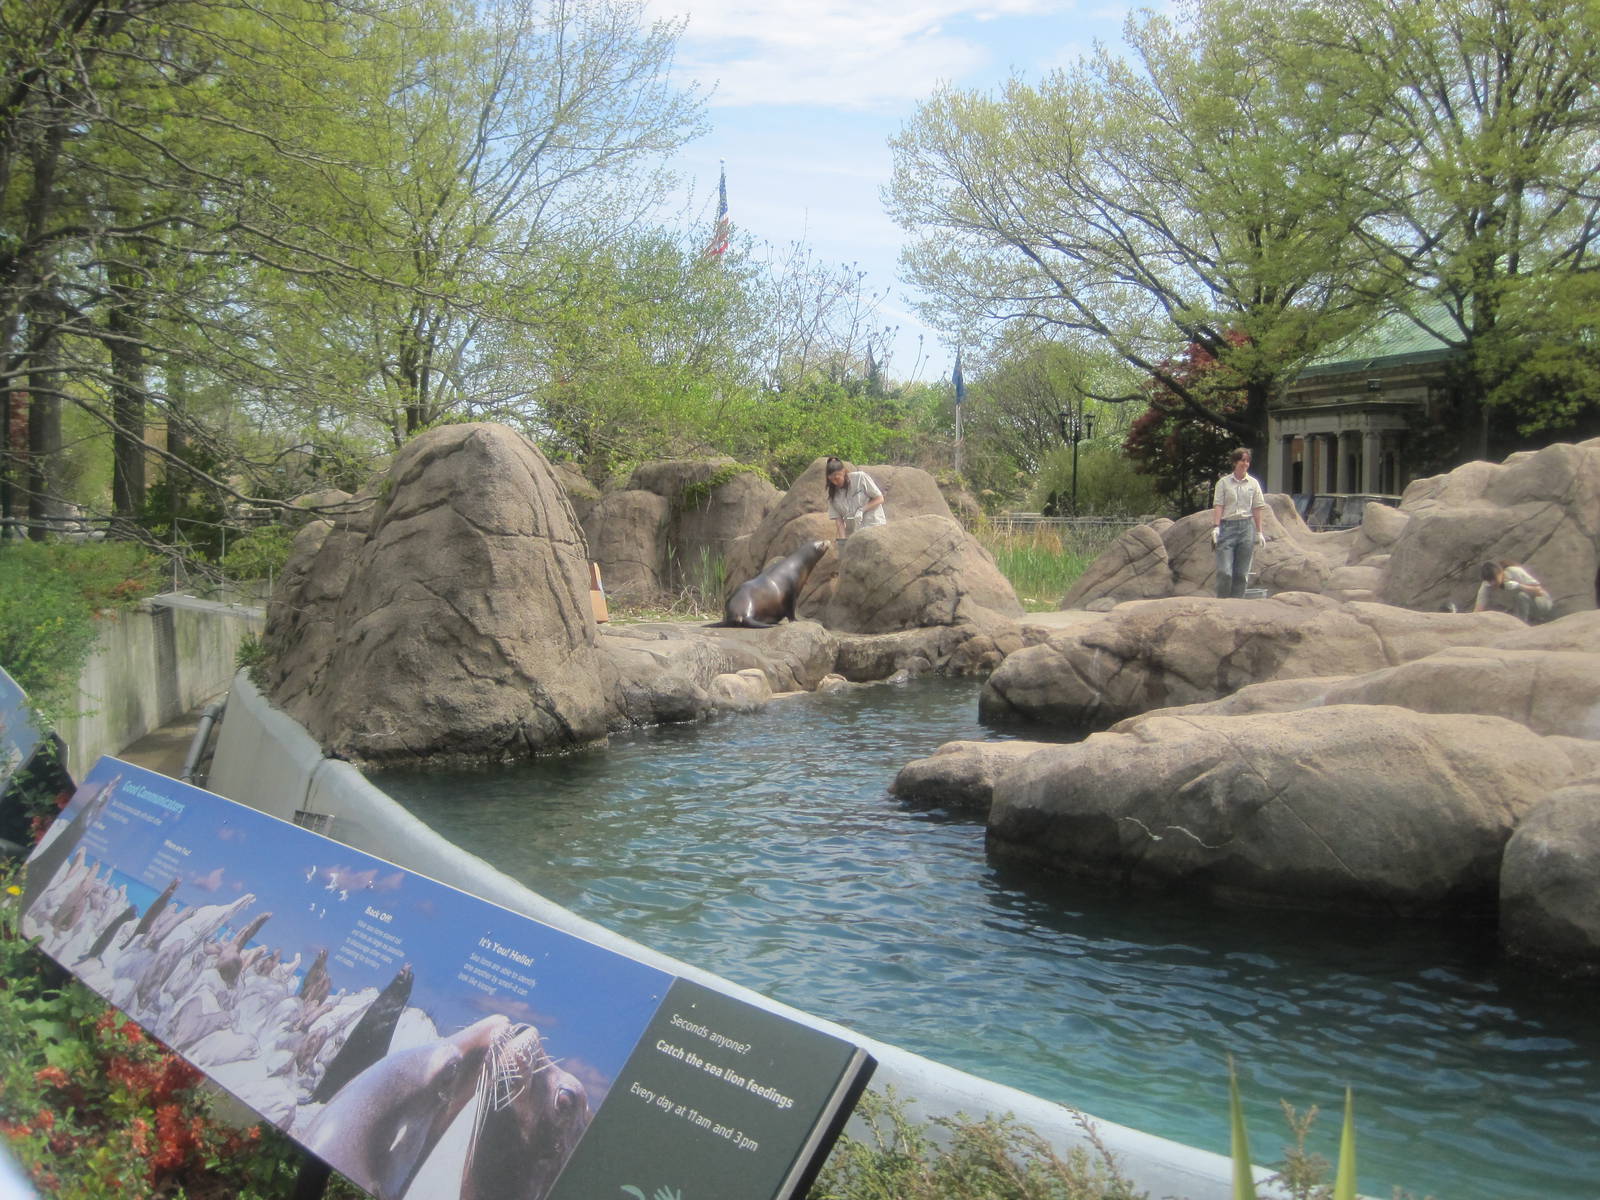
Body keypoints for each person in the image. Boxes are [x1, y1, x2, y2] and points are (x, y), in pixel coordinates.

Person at [1211, 447, 1268, 599]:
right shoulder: (1223, 483)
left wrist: (1259, 531)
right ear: (1235, 462)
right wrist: (1216, 527)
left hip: (1246, 527)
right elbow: (1219, 505)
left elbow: (1257, 508)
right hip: (1227, 526)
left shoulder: (1253, 483)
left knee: (1242, 573)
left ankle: (1237, 603)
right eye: (1242, 460)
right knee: (1225, 572)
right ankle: (1222, 601)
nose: (1245, 464)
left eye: (1248, 461)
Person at [1473, 560, 1553, 623]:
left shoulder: (1513, 572)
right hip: (1520, 610)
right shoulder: (1486, 586)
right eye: (1489, 581)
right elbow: (1478, 609)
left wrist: (1519, 586)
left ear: (1501, 573)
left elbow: (1538, 591)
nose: (1492, 583)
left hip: (1542, 603)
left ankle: (1521, 626)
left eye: (1494, 579)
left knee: (1521, 596)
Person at [825, 456, 886, 538]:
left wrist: (862, 510)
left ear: (843, 472)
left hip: (874, 525)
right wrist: (842, 540)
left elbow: (880, 498)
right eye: (831, 480)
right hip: (855, 534)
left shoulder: (860, 478)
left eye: (837, 478)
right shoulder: (832, 494)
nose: (835, 483)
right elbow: (838, 519)